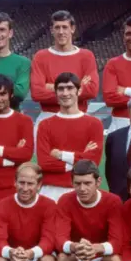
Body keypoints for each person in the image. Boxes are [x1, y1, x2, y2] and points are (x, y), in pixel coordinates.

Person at [30, 10, 99, 141]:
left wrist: (51, 87)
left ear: (72, 29)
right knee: (46, 161)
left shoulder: (86, 56)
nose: (61, 32)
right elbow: (37, 93)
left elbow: (92, 90)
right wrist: (77, 86)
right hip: (48, 116)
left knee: (78, 160)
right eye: (57, 27)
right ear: (51, 30)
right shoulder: (41, 56)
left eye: (65, 27)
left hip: (79, 117)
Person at [36, 72, 103, 203]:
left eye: (70, 88)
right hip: (51, 190)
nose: (65, 93)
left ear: (79, 91)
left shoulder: (94, 124)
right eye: (61, 89)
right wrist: (81, 157)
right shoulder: (45, 125)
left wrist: (61, 155)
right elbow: (44, 162)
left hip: (81, 190)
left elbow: (92, 162)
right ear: (55, 93)